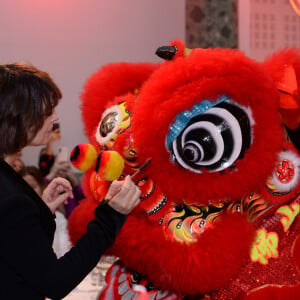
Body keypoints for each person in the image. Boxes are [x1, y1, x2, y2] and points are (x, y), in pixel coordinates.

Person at [0, 63, 141, 300]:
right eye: (46, 112)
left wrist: (40, 210)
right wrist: (111, 216)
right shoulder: (10, 199)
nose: (55, 119)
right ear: (16, 116)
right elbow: (55, 282)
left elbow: (17, 251)